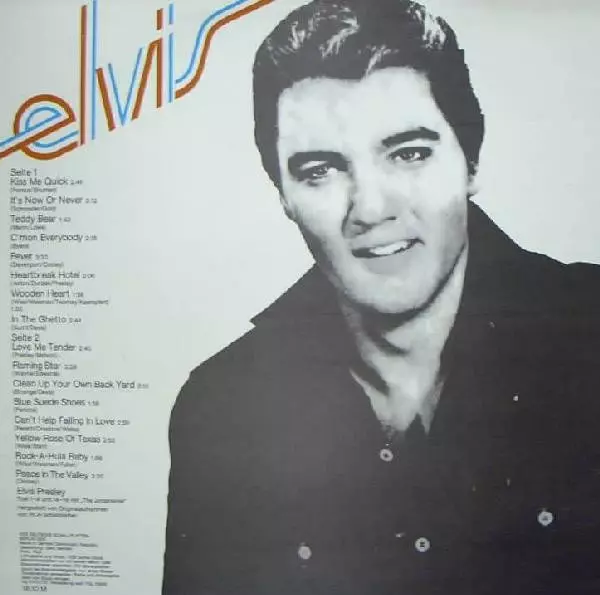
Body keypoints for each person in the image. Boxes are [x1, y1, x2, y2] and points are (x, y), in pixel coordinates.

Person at [162, 1, 600, 593]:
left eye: (409, 153)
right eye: (320, 170)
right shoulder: (221, 408)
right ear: (283, 195)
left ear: (470, 162)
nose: (370, 208)